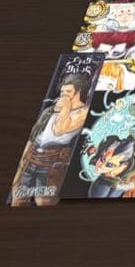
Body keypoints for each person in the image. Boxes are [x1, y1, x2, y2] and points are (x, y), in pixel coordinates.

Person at [9, 72, 92, 206]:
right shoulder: (51, 110)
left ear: (78, 92)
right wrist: (21, 165)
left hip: (52, 161)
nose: (64, 95)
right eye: (62, 91)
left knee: (43, 201)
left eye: (68, 92)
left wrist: (65, 107)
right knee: (18, 199)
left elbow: (60, 130)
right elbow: (34, 135)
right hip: (32, 157)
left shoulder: (82, 112)